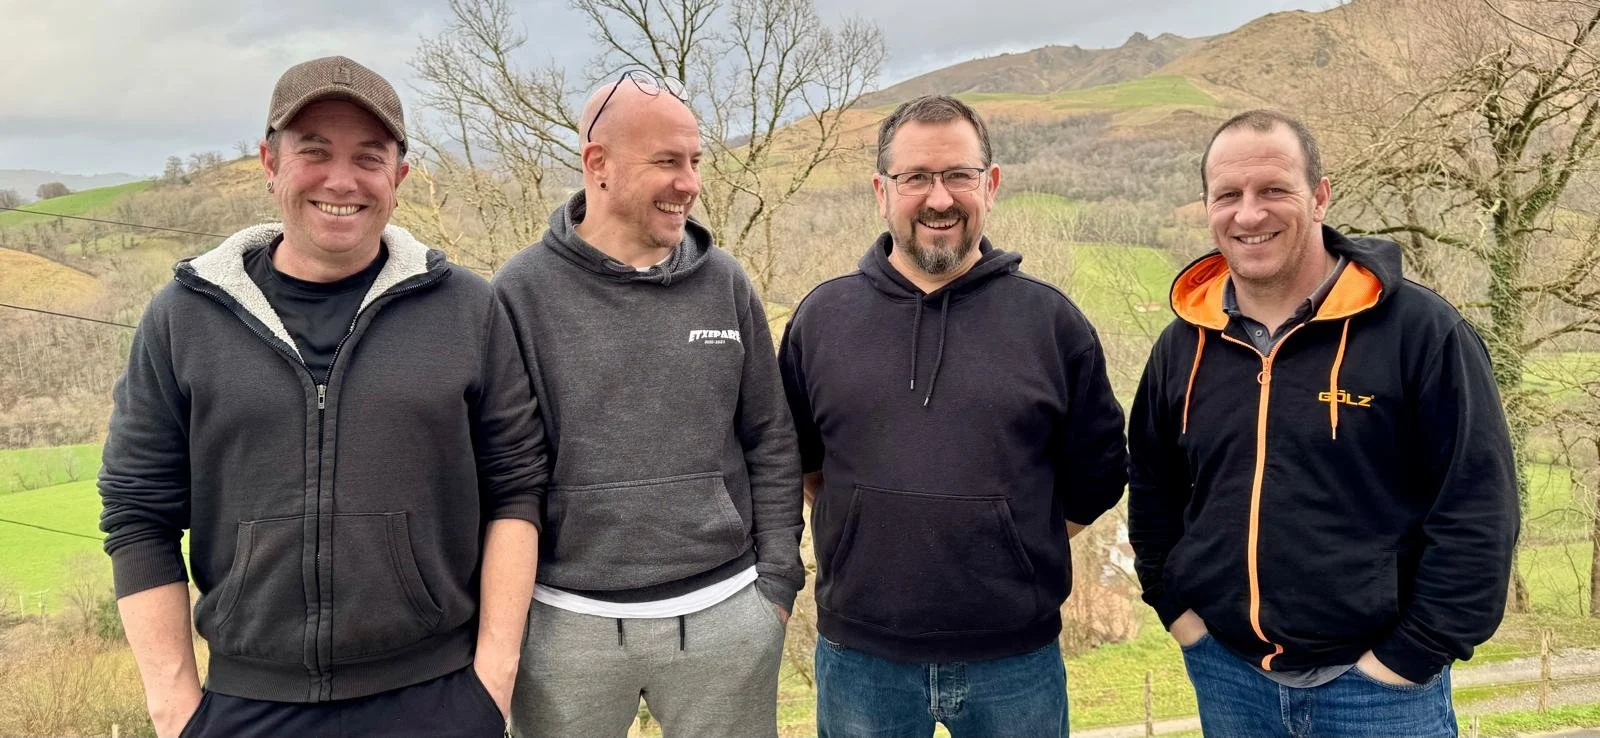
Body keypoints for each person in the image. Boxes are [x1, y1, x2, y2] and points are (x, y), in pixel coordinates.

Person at [99, 55, 548, 738]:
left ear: (398, 177)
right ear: (269, 162)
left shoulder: (468, 310)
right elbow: (137, 514)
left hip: (439, 700)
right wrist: (176, 712)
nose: (342, 181)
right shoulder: (184, 317)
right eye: (315, 152)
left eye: (369, 158)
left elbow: (517, 489)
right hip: (244, 708)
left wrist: (493, 681)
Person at [1127, 109, 1519, 737]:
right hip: (1229, 678)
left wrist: (1405, 660)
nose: (1248, 214)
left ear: (1319, 196)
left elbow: (1478, 513)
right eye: (1228, 195)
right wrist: (1178, 612)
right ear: (1206, 206)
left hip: (1381, 695)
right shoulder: (1183, 346)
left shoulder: (1420, 333)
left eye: (1273, 190)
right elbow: (1152, 488)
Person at [777, 94, 1129, 738]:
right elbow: (799, 463)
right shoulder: (821, 320)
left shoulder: (1051, 324)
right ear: (881, 191)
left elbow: (1098, 475)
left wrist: (1009, 537)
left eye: (957, 175)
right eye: (915, 178)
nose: (938, 198)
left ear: (989, 185)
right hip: (861, 660)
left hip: (1015, 660)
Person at [493, 69, 804, 738]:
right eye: (668, 161)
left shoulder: (725, 282)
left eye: (695, 160)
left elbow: (771, 438)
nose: (690, 182)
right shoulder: (519, 293)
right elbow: (500, 471)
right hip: (564, 629)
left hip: (727, 617)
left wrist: (776, 588)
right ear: (596, 164)